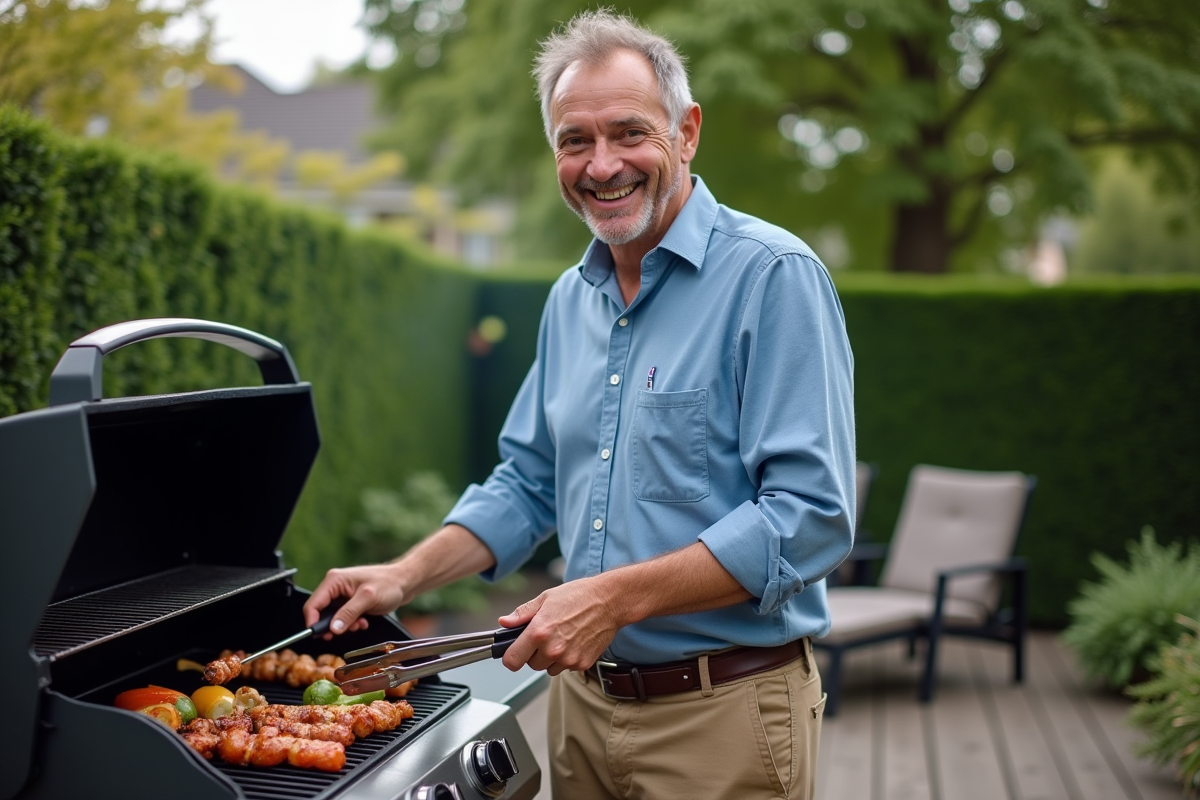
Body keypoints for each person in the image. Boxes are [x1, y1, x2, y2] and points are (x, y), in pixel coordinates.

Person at [304, 10, 855, 799]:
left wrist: (609, 599)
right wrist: (402, 575)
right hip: (579, 708)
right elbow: (527, 484)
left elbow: (809, 518)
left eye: (629, 132)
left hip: (723, 716)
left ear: (687, 131)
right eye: (575, 141)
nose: (602, 166)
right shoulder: (571, 299)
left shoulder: (772, 278)